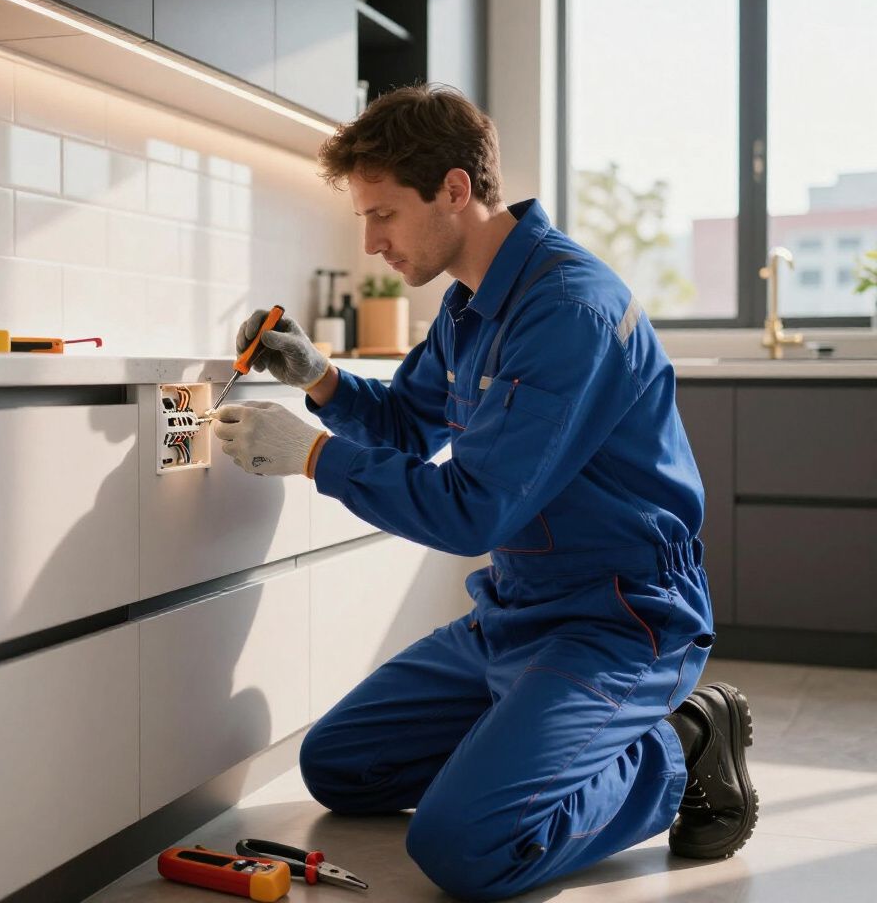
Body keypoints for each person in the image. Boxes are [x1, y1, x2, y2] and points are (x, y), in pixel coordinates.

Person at [210, 85, 758, 901]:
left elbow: (474, 510)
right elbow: (407, 420)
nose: (371, 243)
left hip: (621, 619)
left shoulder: (567, 309)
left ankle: (682, 742)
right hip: (516, 610)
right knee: (339, 766)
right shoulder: (471, 304)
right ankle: (526, 741)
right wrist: (319, 378)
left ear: (456, 190)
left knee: (467, 847)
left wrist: (317, 458)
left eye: (384, 214)